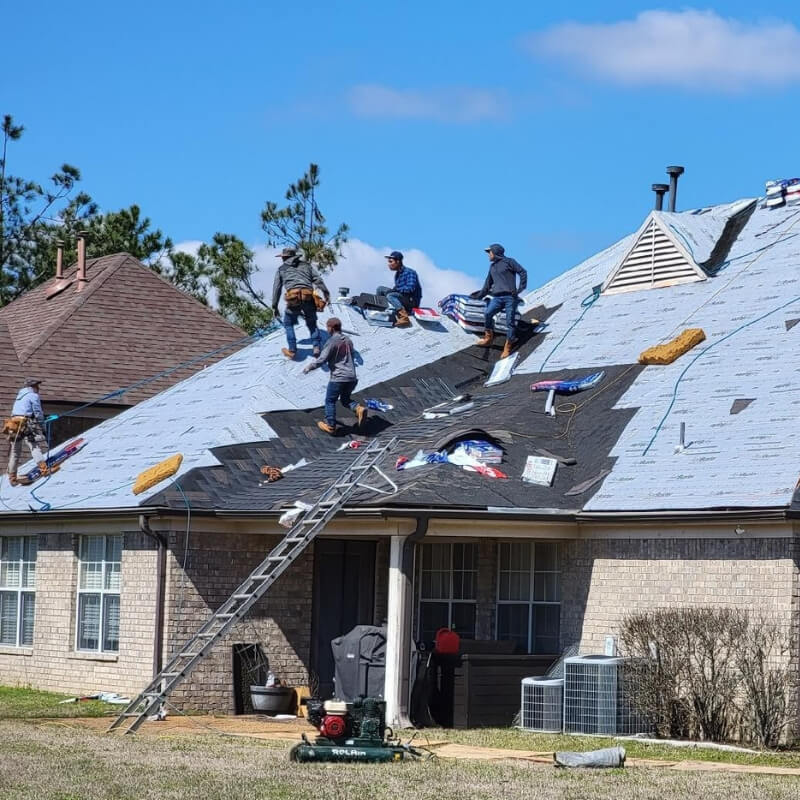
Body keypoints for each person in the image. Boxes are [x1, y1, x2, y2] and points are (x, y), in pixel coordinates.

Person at [303, 317, 367, 434]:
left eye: (327, 327)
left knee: (330, 401)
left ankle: (330, 425)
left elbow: (322, 359)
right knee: (345, 399)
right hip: (351, 377)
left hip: (339, 377)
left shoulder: (332, 341)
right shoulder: (348, 340)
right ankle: (358, 408)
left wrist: (309, 367)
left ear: (331, 328)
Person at [272, 247, 331, 359]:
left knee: (288, 323)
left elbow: (277, 289)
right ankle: (316, 347)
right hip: (308, 297)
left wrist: (274, 307)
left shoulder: (281, 269)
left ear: (285, 258)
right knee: (312, 323)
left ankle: (292, 350)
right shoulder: (306, 266)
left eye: (283, 257)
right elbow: (318, 280)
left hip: (293, 299)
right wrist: (326, 293)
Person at [471, 243, 527, 358]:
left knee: (510, 321)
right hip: (497, 298)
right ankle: (488, 338)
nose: (488, 255)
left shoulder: (509, 262)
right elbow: (487, 285)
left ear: (495, 252)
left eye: (489, 252)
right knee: (487, 313)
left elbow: (522, 272)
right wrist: (478, 296)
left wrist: (520, 289)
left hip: (510, 297)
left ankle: (508, 347)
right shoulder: (492, 267)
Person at [3, 378, 52, 486]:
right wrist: (43, 427)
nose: (38, 388)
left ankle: (12, 477)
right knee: (33, 445)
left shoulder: (20, 396)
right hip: (24, 423)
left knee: (15, 451)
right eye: (37, 386)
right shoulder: (33, 396)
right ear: (32, 387)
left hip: (13, 424)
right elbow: (38, 412)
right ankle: (44, 469)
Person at [376, 251, 422, 328]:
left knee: (390, 295)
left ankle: (404, 317)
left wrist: (395, 290)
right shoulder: (398, 274)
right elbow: (398, 289)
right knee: (380, 289)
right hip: (403, 297)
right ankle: (379, 311)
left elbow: (410, 289)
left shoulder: (410, 272)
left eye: (391, 261)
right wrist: (394, 290)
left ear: (398, 261)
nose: (389, 264)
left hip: (411, 301)